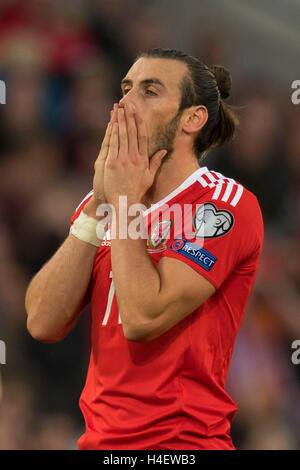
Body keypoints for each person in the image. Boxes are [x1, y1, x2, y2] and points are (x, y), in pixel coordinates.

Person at [25, 48, 264, 450]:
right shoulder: (106, 203)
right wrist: (98, 208)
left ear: (193, 118)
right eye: (126, 89)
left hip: (180, 447)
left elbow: (142, 316)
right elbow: (42, 322)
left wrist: (120, 204)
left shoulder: (222, 204)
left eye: (149, 91)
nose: (125, 104)